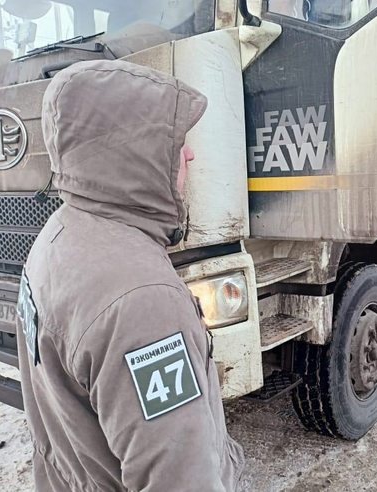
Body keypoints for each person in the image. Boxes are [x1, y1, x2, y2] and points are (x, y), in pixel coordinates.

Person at [16, 60, 244, 492]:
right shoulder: (142, 301)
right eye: (174, 141)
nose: (190, 153)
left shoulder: (55, 237)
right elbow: (181, 480)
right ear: (132, 151)